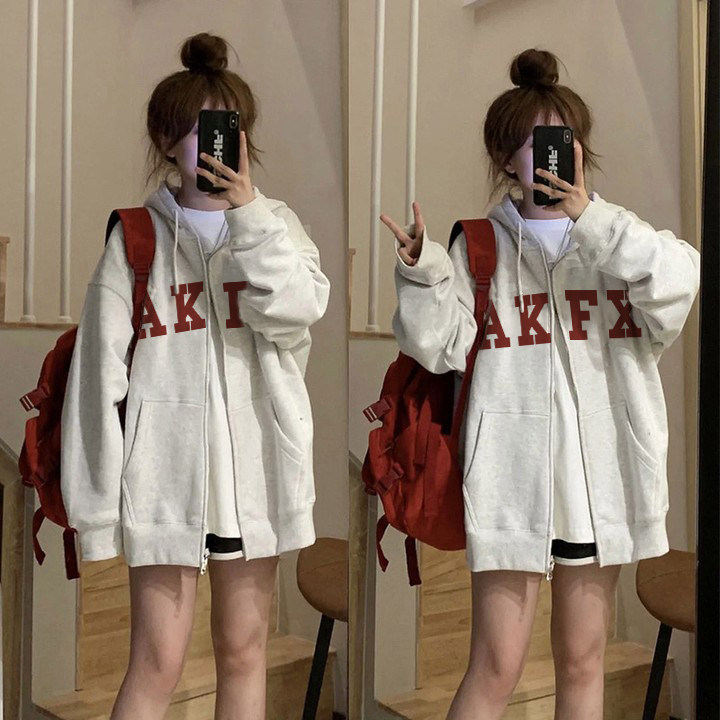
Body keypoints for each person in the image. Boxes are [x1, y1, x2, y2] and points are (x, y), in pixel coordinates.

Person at [380, 48, 700, 720]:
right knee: (496, 666)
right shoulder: (479, 247)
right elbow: (438, 347)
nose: (553, 155)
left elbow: (679, 284)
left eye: (563, 139)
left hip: (600, 484)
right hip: (509, 484)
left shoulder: (621, 244)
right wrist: (421, 271)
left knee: (583, 661)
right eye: (534, 143)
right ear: (506, 159)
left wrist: (593, 221)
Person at [60, 32, 330, 720]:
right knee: (157, 662)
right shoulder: (136, 238)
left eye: (226, 129)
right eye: (198, 130)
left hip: (257, 474)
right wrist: (97, 513)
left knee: (244, 653)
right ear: (166, 140)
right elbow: (96, 381)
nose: (215, 146)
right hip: (163, 477)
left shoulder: (275, 227)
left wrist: (249, 217)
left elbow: (301, 310)